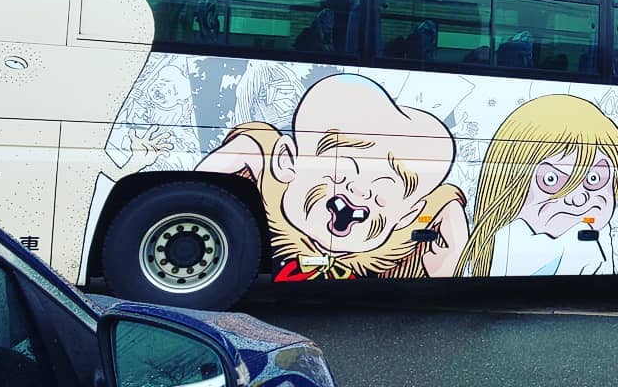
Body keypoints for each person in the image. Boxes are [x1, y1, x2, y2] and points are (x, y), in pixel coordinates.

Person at [195, 73, 467, 280]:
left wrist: (450, 239)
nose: (361, 190)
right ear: (285, 160)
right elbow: (204, 186)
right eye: (345, 167)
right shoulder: (266, 185)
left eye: (385, 186)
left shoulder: (397, 251)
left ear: (409, 214)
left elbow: (442, 208)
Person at [457, 95, 618, 277]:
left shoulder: (600, 244)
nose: (578, 198)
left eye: (594, 179)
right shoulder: (507, 244)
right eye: (551, 179)